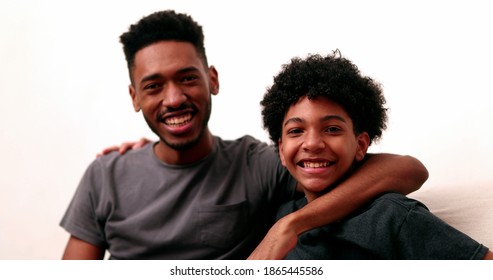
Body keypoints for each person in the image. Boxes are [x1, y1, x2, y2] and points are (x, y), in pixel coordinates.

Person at [60, 10, 428, 260]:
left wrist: (291, 224)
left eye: (188, 78)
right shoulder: (104, 175)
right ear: (135, 97)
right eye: (153, 86)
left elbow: (408, 170)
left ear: (212, 80)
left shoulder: (258, 164)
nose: (174, 99)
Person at [259, 51, 493, 259]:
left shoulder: (391, 215)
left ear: (361, 145)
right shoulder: (282, 211)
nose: (312, 143)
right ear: (281, 149)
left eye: (332, 129)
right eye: (296, 131)